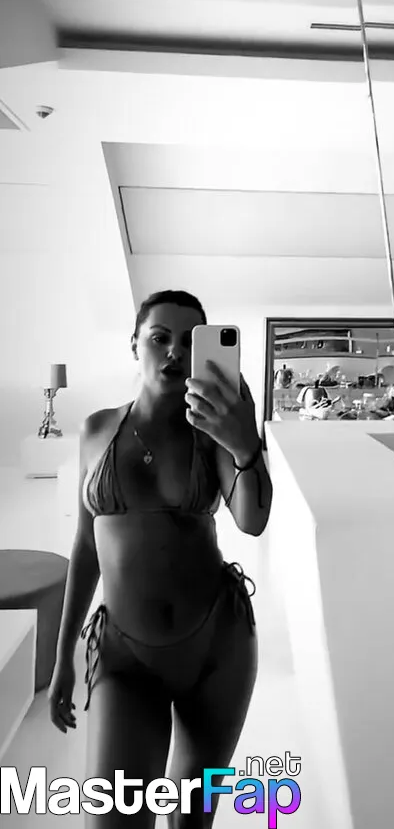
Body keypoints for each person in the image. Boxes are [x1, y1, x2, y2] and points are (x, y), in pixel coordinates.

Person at [48, 290, 273, 827]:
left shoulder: (214, 434)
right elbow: (86, 546)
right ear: (135, 344)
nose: (175, 352)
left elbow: (252, 519)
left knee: (189, 820)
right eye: (160, 338)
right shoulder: (96, 430)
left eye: (190, 342)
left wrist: (246, 445)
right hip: (125, 657)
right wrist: (62, 658)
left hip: (217, 649)